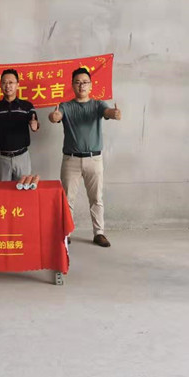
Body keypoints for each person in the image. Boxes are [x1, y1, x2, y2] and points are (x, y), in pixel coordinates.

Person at [49, 67, 122, 248]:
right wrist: (54, 116)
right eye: (78, 82)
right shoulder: (66, 106)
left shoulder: (98, 105)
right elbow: (56, 116)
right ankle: (66, 233)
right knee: (67, 199)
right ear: (72, 85)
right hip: (70, 160)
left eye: (85, 82)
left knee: (96, 198)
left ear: (91, 85)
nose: (81, 85)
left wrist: (113, 114)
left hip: (94, 159)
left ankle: (99, 233)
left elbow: (107, 112)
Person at [0, 68, 39, 180]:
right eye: (4, 83)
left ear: (17, 85)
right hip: (1, 158)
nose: (7, 86)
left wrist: (34, 125)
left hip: (22, 157)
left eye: (11, 82)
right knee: (1, 190)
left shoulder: (27, 106)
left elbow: (34, 124)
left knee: (23, 188)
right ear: (0, 85)